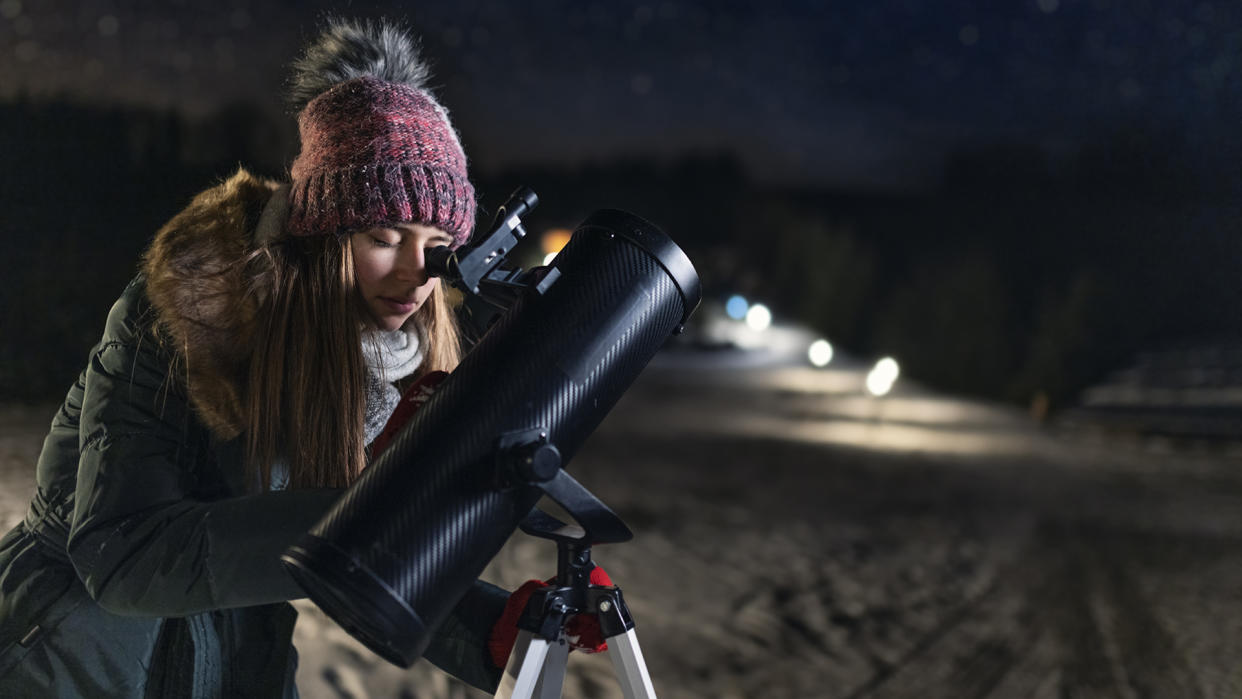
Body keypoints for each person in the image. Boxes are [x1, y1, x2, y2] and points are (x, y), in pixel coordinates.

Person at [0, 18, 562, 697]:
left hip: (239, 652)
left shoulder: (393, 353)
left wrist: (491, 627)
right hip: (74, 651)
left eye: (438, 241)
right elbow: (123, 556)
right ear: (323, 236)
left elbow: (348, 552)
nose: (417, 271)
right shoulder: (188, 315)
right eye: (385, 234)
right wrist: (359, 514)